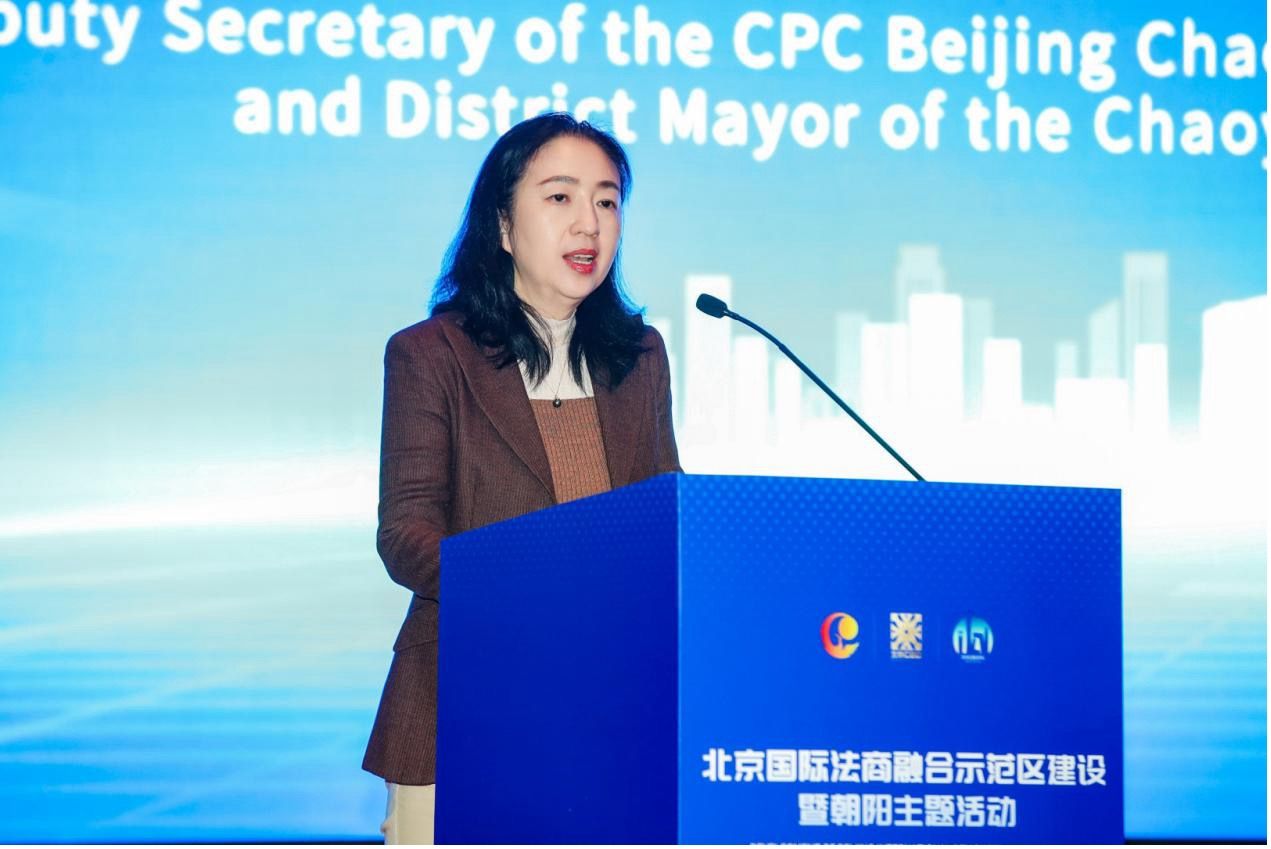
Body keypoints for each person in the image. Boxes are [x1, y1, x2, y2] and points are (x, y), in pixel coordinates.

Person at [360, 113, 682, 844]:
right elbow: (405, 532)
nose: (589, 223)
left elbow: (666, 516)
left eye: (606, 201)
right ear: (503, 225)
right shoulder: (431, 354)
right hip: (463, 696)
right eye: (560, 197)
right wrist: (528, 582)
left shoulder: (640, 357)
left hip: (612, 702)